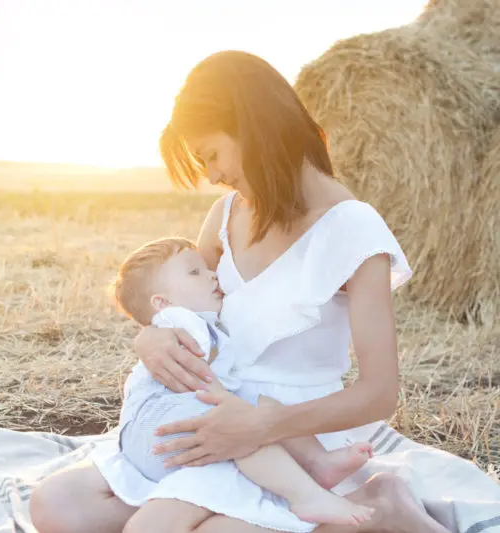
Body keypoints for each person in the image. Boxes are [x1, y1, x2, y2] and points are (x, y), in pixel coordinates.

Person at [30, 50, 451, 533]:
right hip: (215, 416)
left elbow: (378, 394)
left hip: (293, 438)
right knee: (58, 504)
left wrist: (263, 426)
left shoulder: (353, 228)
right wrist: (148, 338)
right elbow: (181, 302)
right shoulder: (225, 216)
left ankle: (378, 505)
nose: (211, 176)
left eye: (211, 155)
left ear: (254, 126)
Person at [108, 235, 375, 527]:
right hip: (161, 427)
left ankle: (319, 462)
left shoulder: (186, 322)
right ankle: (305, 495)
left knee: (262, 406)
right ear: (162, 302)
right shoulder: (180, 322)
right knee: (243, 428)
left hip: (151, 435)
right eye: (194, 272)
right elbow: (198, 372)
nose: (212, 275)